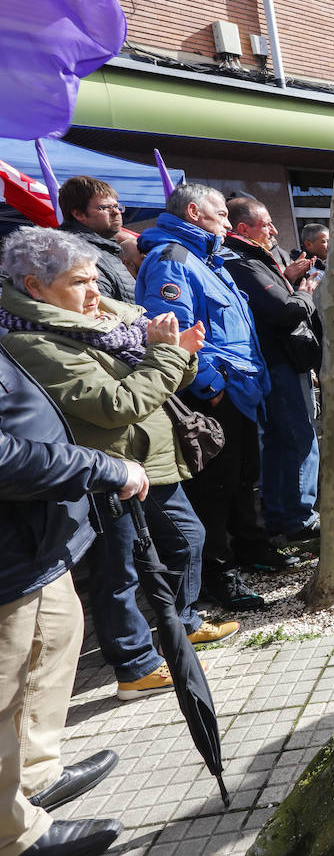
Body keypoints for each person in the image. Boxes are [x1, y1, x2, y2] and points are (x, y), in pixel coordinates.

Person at [0, 227, 238, 702]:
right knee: (118, 571)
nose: (95, 292)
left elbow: (163, 375)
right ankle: (134, 667)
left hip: (145, 461)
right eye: (79, 282)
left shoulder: (105, 319)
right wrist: (170, 354)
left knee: (186, 539)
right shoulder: (31, 342)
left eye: (94, 279)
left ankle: (181, 624)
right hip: (103, 470)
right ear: (33, 286)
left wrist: (180, 352)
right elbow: (117, 403)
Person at [1, 338, 147, 856]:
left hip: (32, 542)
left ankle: (35, 777)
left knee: (56, 640)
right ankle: (15, 835)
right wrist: (100, 468)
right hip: (8, 554)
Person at [135, 183, 281, 610]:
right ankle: (220, 576)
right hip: (215, 391)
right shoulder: (172, 260)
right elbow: (172, 334)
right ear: (195, 212)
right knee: (214, 490)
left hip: (241, 388)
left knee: (241, 478)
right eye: (220, 214)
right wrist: (210, 387)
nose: (226, 222)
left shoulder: (204, 258)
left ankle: (251, 549)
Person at [221, 198, 323, 544]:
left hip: (277, 360)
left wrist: (286, 276)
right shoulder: (242, 261)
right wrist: (304, 295)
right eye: (267, 224)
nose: (274, 230)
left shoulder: (251, 257)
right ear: (243, 229)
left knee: (283, 440)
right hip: (278, 361)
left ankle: (283, 516)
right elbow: (282, 311)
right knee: (297, 439)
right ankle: (298, 518)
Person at [56, 175, 137, 303]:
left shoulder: (104, 250)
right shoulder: (74, 253)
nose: (116, 212)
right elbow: (95, 311)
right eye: (105, 208)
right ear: (78, 214)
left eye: (117, 206)